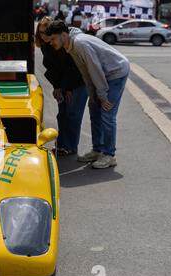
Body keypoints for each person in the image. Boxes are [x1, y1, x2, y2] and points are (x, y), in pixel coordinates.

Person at [46, 21, 130, 169]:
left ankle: (109, 155)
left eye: (53, 39)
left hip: (116, 72)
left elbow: (94, 69)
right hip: (105, 74)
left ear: (64, 35)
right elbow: (85, 72)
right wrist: (93, 95)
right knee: (94, 109)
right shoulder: (70, 44)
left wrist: (102, 95)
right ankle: (98, 150)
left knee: (107, 113)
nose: (51, 43)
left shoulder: (79, 43)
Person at [36, 17, 88, 156]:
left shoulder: (65, 44)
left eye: (46, 31)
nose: (44, 35)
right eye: (41, 32)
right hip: (63, 84)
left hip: (78, 83)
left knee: (73, 115)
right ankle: (63, 145)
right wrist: (57, 87)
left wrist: (68, 88)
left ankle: (70, 146)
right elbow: (51, 68)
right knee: (62, 114)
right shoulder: (46, 46)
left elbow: (74, 68)